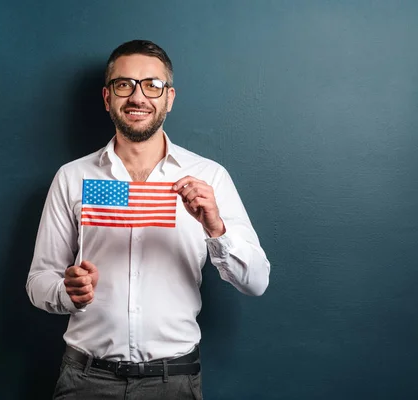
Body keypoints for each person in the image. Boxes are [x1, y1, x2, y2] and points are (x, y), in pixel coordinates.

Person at [26, 39, 270, 400]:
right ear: (108, 98)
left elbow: (257, 282)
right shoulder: (74, 177)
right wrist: (68, 291)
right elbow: (38, 281)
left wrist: (216, 228)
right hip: (86, 379)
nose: (138, 97)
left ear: (169, 98)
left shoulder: (209, 176)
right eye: (124, 84)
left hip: (174, 381)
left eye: (152, 85)